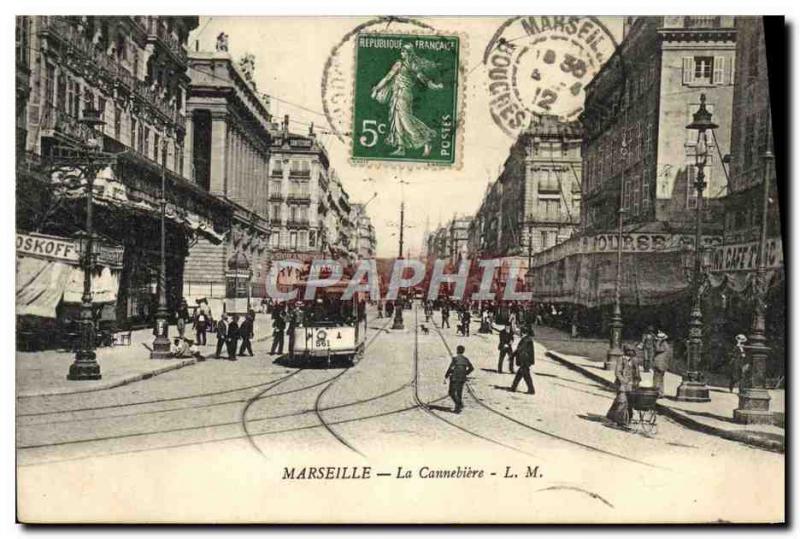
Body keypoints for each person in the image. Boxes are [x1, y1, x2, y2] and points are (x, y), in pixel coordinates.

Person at [606, 345, 641, 428]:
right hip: (622, 385)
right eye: (629, 351)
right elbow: (617, 372)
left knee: (628, 403)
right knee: (621, 401)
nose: (631, 353)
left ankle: (624, 418)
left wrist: (637, 380)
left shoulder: (634, 360)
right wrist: (623, 381)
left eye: (632, 351)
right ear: (626, 351)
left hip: (631, 385)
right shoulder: (621, 359)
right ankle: (619, 420)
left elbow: (637, 372)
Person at [444, 344, 474, 414]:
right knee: (459, 393)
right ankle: (458, 407)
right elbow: (471, 368)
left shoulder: (455, 359)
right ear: (463, 351)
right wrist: (465, 373)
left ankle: (459, 405)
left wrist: (446, 376)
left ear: (457, 351)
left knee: (451, 392)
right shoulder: (466, 359)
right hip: (462, 378)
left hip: (455, 377)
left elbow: (451, 368)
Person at [509, 325, 536, 394]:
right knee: (520, 375)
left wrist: (512, 355)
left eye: (520, 332)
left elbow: (519, 349)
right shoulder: (527, 339)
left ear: (523, 332)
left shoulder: (526, 340)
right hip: (525, 361)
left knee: (526, 376)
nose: (519, 333)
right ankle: (513, 387)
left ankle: (531, 390)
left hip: (525, 361)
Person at [652, 331, 671, 397]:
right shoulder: (665, 344)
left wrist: (658, 342)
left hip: (660, 365)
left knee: (657, 379)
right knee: (660, 379)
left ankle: (657, 392)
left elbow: (657, 349)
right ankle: (660, 392)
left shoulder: (663, 345)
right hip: (661, 365)